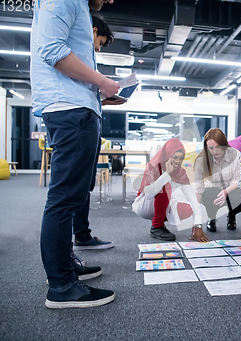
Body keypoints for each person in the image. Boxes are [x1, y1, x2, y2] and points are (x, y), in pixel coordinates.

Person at [31, 0, 118, 308]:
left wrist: (100, 95)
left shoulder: (79, 5)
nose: (108, 1)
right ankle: (62, 285)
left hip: (78, 107)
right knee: (64, 198)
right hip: (70, 110)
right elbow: (52, 51)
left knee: (73, 197)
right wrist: (103, 82)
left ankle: (65, 267)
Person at [71, 14, 118, 252]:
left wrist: (105, 101)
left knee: (85, 184)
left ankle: (82, 234)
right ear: (93, 30)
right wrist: (103, 83)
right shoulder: (74, 54)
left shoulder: (84, 58)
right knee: (75, 186)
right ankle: (79, 237)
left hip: (90, 118)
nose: (98, 49)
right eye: (99, 42)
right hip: (77, 120)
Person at [133, 138, 209, 242]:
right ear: (167, 155)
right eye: (175, 157)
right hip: (145, 204)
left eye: (181, 158)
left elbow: (193, 200)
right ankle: (157, 227)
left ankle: (160, 222)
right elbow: (149, 195)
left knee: (187, 209)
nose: (178, 161)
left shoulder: (181, 172)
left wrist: (198, 227)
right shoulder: (154, 166)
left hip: (163, 204)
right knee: (166, 186)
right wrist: (167, 174)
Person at [193, 128, 241, 232]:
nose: (215, 151)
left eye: (218, 147)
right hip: (212, 191)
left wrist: (226, 191)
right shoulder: (201, 160)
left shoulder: (235, 154)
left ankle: (231, 215)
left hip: (230, 189)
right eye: (211, 148)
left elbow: (237, 179)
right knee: (208, 196)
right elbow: (198, 188)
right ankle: (211, 217)